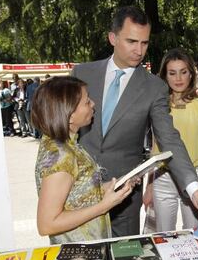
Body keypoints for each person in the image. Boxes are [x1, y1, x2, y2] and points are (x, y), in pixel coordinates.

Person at [71, 6, 198, 236]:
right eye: (132, 41)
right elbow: (62, 129)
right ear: (113, 38)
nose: (139, 50)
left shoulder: (155, 87)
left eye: (144, 43)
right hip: (80, 190)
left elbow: (169, 139)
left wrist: (195, 191)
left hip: (125, 195)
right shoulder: (82, 73)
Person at [32, 76, 135, 244]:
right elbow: (47, 224)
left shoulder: (66, 143)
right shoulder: (61, 156)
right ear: (69, 114)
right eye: (87, 102)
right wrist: (103, 206)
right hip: (79, 255)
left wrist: (112, 186)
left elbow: (75, 194)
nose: (93, 104)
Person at [144, 48, 198, 231]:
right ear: (165, 76)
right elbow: (155, 148)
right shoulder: (159, 106)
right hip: (163, 177)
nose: (178, 78)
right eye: (172, 73)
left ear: (191, 74)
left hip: (194, 177)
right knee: (163, 235)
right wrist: (150, 186)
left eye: (183, 72)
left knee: (194, 236)